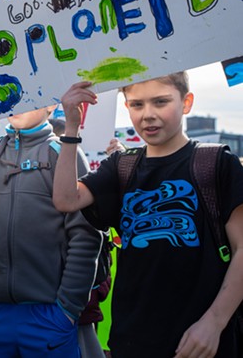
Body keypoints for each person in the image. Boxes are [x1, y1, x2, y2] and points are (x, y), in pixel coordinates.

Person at [53, 73, 243, 357]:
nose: (148, 115)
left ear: (186, 102)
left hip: (204, 343)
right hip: (132, 341)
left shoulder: (216, 163)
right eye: (137, 105)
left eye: (161, 102)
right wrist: (71, 127)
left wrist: (214, 322)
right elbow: (66, 199)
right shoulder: (122, 166)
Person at [0, 105, 101, 357]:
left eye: (29, 96)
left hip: (49, 315)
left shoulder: (64, 153)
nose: (17, 104)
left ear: (50, 104)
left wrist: (67, 310)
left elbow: (84, 235)